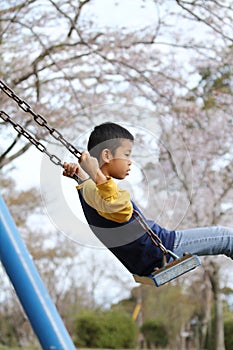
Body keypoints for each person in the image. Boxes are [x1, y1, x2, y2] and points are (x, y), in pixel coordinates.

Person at [63, 122, 233, 277]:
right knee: (227, 238)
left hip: (150, 253)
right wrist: (95, 174)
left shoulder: (92, 188)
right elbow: (121, 209)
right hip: (162, 249)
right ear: (107, 155)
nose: (130, 162)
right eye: (127, 154)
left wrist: (80, 174)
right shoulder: (101, 190)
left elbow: (92, 191)